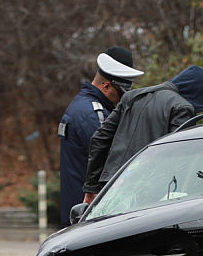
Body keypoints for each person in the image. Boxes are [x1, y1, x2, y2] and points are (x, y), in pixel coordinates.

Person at [83, 65, 203, 202]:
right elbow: (179, 155)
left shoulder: (131, 96)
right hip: (148, 192)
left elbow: (99, 139)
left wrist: (91, 187)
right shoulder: (182, 107)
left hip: (111, 185)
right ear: (197, 94)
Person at [57, 47, 143, 225]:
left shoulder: (83, 106)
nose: (121, 99)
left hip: (79, 207)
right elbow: (109, 161)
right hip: (87, 209)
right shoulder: (92, 115)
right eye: (121, 92)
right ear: (106, 85)